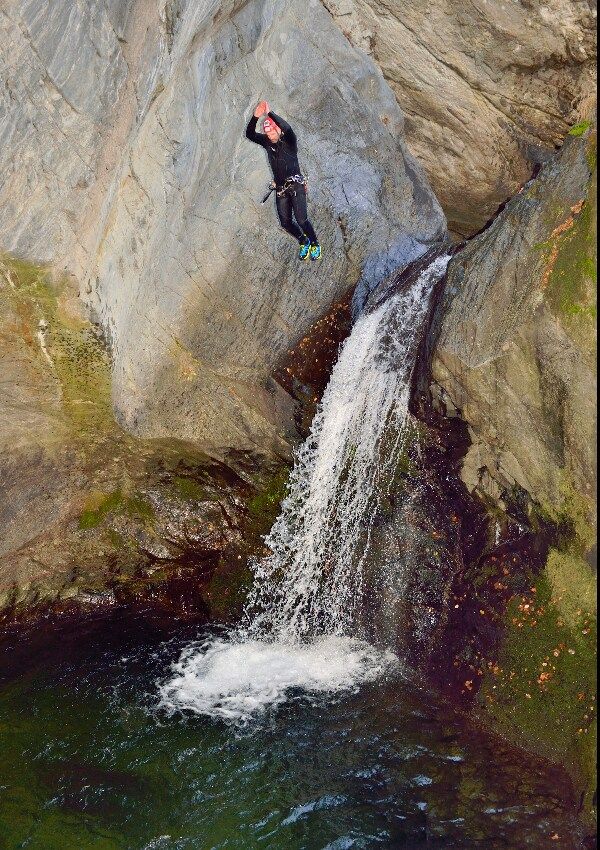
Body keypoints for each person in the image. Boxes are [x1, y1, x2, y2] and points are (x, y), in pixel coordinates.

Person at [246, 100, 322, 261]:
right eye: (268, 133)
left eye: (273, 132)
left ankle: (315, 244)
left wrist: (270, 113)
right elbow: (250, 134)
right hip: (281, 188)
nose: (271, 136)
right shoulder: (267, 141)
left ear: (277, 130)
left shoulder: (289, 140)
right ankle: (304, 240)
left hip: (296, 185)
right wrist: (255, 117)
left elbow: (287, 128)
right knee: (285, 223)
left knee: (301, 219)